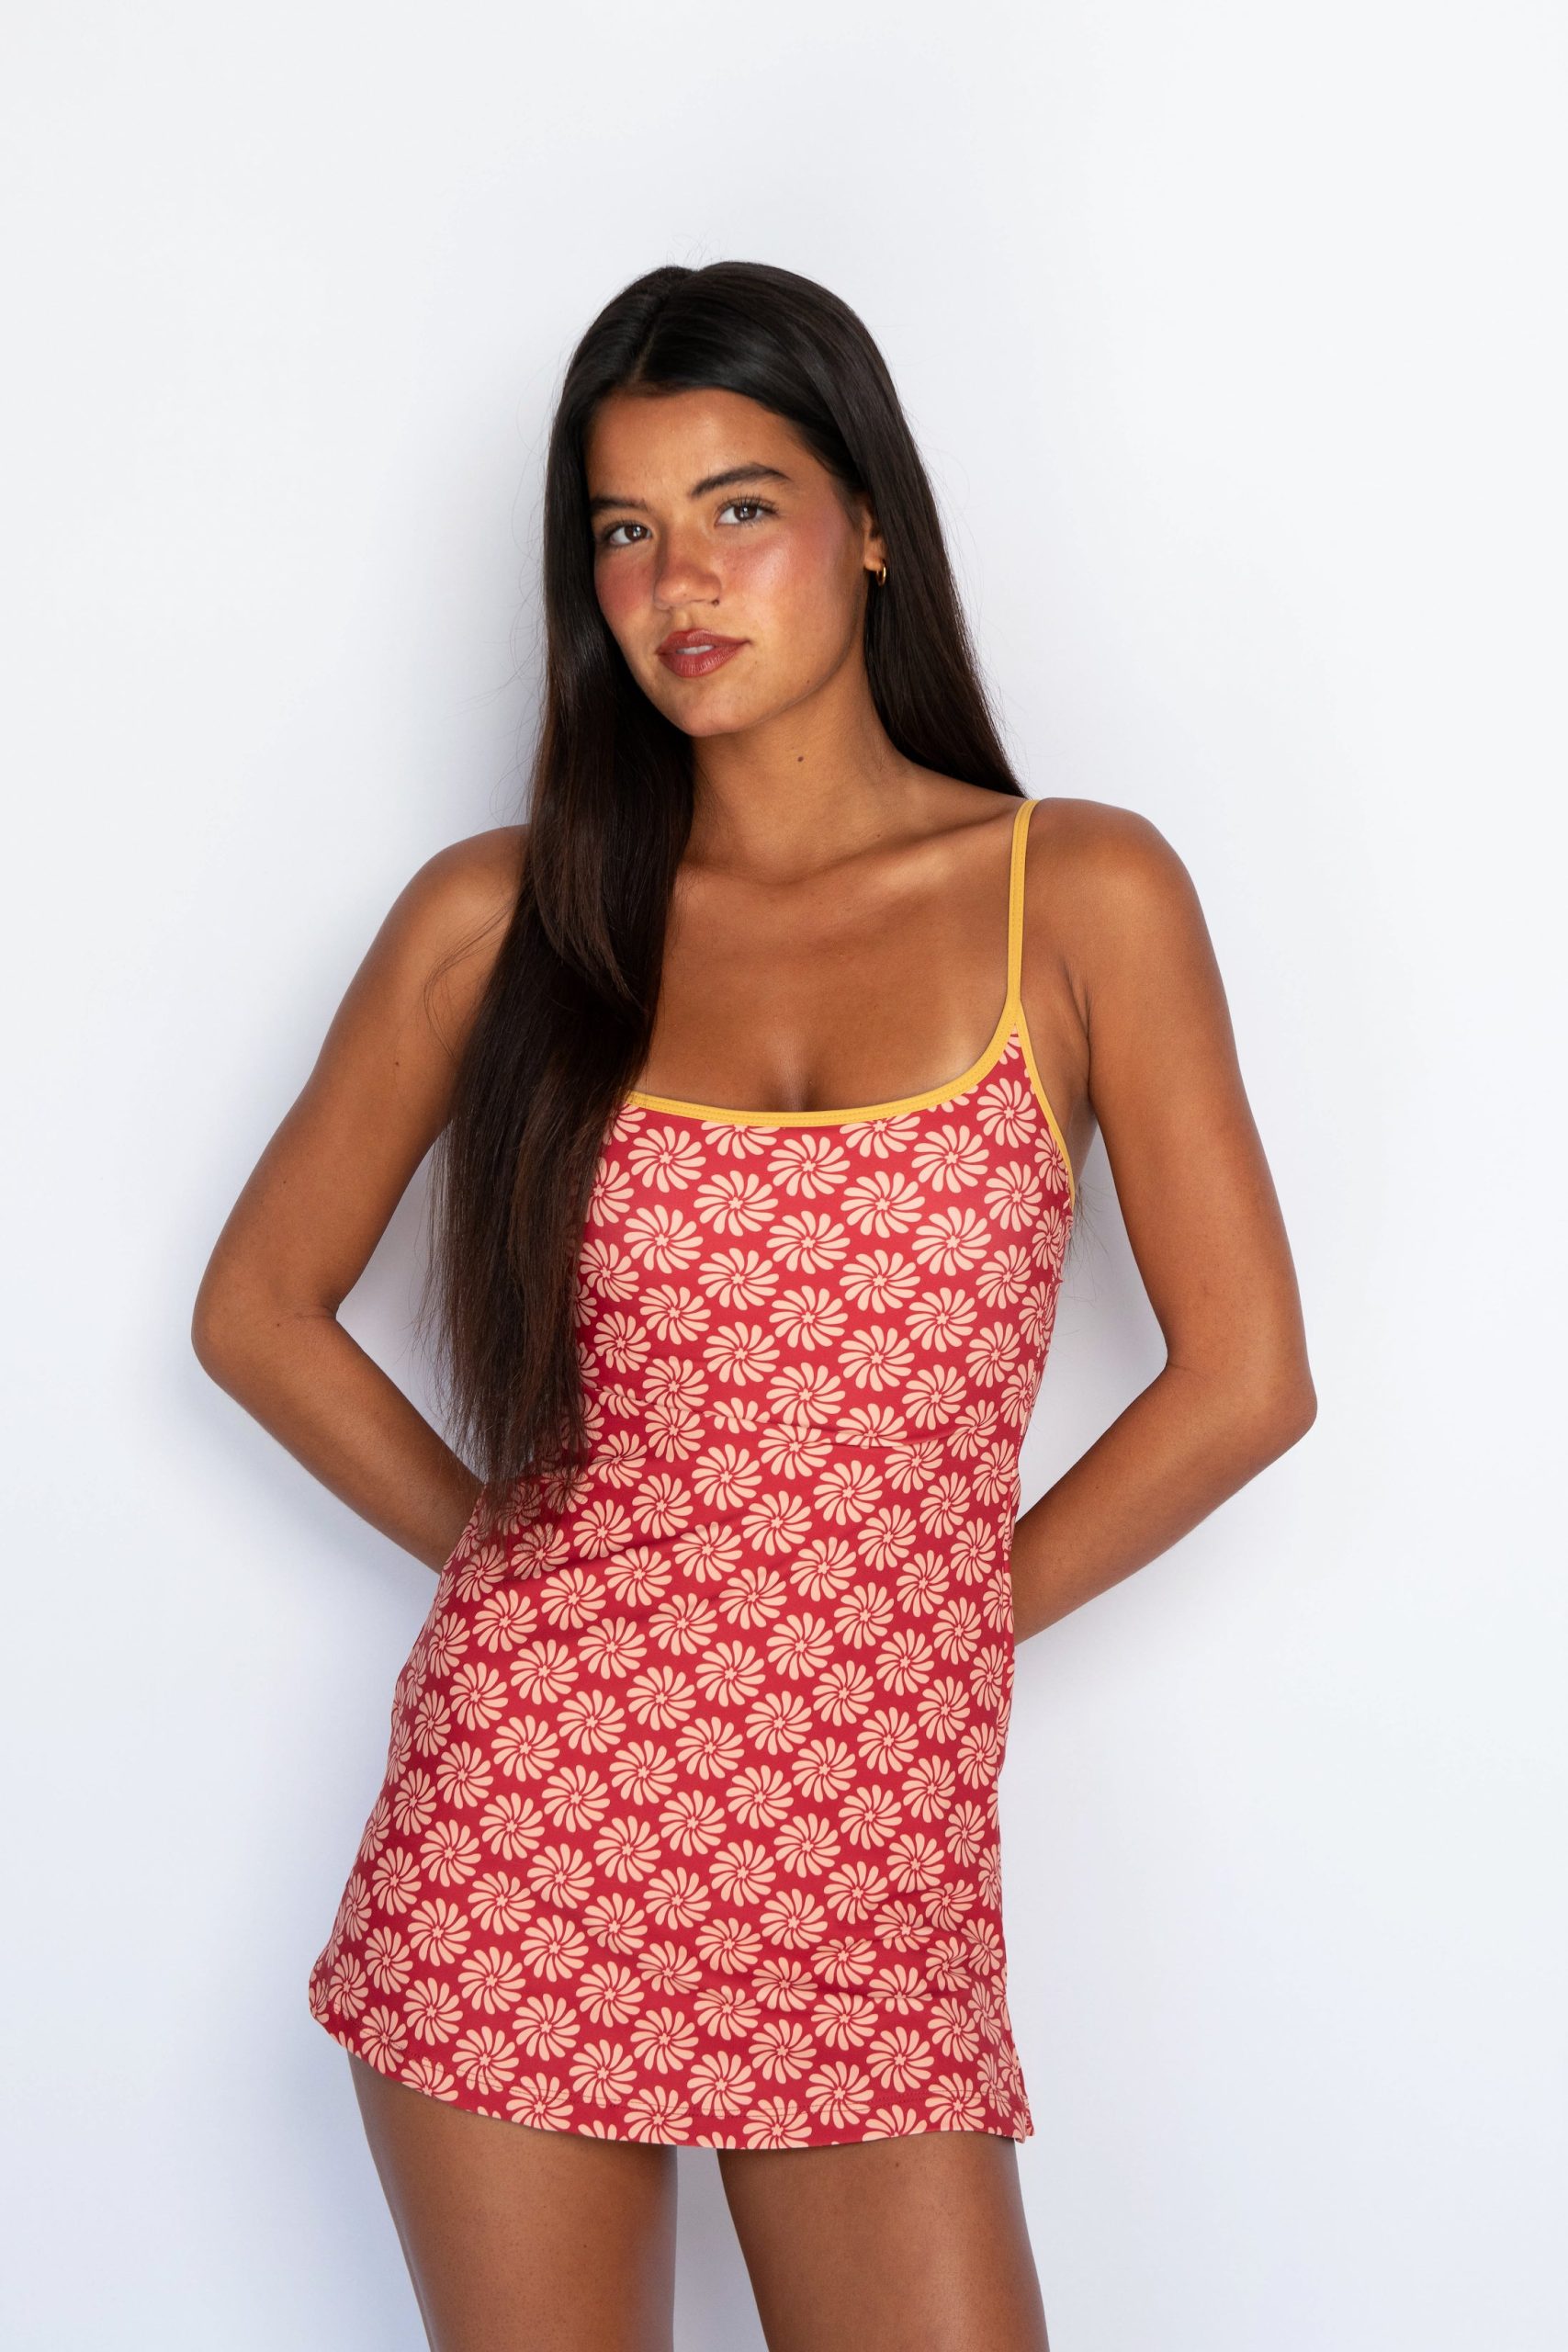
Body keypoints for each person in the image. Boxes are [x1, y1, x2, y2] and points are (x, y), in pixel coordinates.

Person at [192, 259, 1315, 2352]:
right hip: (530, 1832)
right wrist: (524, 1574)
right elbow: (257, 1307)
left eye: (738, 506)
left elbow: (1246, 1380)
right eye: (622, 529)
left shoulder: (1077, 894)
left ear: (869, 522)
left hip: (868, 1861)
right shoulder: (499, 919)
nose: (676, 581)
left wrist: (930, 1616)